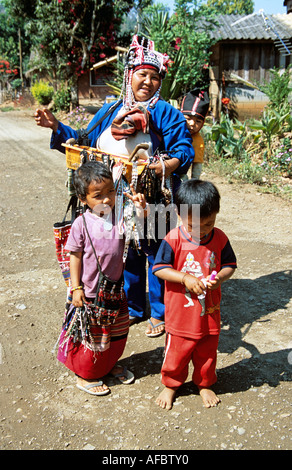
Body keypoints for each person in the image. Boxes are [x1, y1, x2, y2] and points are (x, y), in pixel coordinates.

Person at [35, 35, 194, 338]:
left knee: (156, 251)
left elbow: (184, 151)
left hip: (154, 195)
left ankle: (159, 313)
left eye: (154, 76)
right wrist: (57, 126)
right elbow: (84, 139)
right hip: (115, 194)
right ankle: (135, 308)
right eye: (142, 74)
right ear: (128, 76)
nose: (147, 81)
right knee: (127, 251)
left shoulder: (167, 114)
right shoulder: (110, 111)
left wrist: (162, 167)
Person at [57, 161, 147, 396]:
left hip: (115, 291)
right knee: (92, 336)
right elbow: (74, 257)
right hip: (88, 293)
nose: (106, 200)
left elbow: (141, 224)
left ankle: (106, 365)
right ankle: (86, 374)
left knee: (116, 333)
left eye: (110, 192)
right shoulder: (82, 223)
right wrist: (75, 288)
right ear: (83, 198)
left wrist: (140, 208)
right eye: (98, 195)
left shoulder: (119, 216)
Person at [152, 179, 237, 409]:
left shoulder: (220, 238)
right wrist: (185, 278)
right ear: (179, 215)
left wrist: (220, 277)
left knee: (207, 351)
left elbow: (230, 264)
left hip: (209, 312)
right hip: (180, 314)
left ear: (216, 214)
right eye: (194, 226)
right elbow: (159, 269)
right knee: (177, 352)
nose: (202, 231)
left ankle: (204, 383)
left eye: (209, 223)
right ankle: (171, 384)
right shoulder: (174, 239)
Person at [180, 89, 209, 179]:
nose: (192, 124)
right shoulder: (171, 132)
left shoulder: (197, 142)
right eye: (188, 119)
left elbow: (197, 165)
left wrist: (194, 182)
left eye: (198, 121)